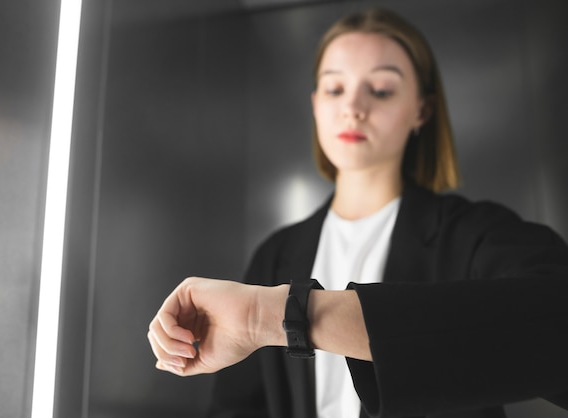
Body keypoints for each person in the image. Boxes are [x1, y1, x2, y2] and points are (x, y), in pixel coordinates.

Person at [148, 7, 568, 418]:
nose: (353, 106)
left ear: (422, 109)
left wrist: (273, 316)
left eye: (381, 89)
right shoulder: (275, 255)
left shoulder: (477, 234)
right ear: (315, 105)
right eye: (334, 89)